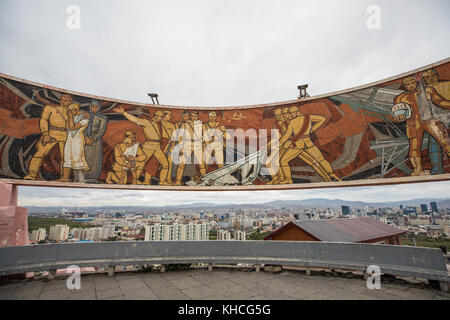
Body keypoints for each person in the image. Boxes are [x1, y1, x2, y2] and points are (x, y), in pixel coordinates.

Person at [393, 75, 450, 176]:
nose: (411, 85)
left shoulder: (428, 90)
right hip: (413, 123)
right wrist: (399, 117)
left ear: (417, 82)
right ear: (405, 86)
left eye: (412, 83)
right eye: (408, 84)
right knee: (414, 147)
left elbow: (440, 101)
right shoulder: (400, 98)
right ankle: (418, 169)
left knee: (445, 141)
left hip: (429, 119)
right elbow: (396, 113)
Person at [277, 106, 341, 184]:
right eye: (289, 113)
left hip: (298, 145)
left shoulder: (293, 122)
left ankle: (288, 179)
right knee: (321, 160)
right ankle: (331, 174)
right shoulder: (308, 117)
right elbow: (322, 119)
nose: (290, 115)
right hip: (308, 142)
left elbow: (287, 135)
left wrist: (279, 144)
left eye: (291, 113)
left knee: (283, 161)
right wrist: (312, 129)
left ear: (297, 112)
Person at [113, 106, 170, 185]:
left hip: (157, 147)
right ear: (156, 116)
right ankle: (134, 179)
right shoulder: (147, 122)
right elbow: (136, 120)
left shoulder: (159, 124)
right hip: (149, 146)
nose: (162, 118)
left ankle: (162, 181)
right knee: (140, 163)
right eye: (161, 117)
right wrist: (124, 113)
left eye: (163, 117)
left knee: (165, 164)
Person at [24, 94, 72, 180]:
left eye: (66, 100)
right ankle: (32, 175)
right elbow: (43, 120)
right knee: (39, 154)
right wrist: (45, 134)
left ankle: (63, 177)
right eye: (62, 99)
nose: (63, 102)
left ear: (70, 101)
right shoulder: (51, 108)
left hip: (65, 135)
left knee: (65, 158)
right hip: (51, 133)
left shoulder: (73, 111)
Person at [58, 103, 90, 182]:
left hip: (78, 140)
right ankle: (65, 177)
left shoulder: (85, 119)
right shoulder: (72, 117)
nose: (71, 112)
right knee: (67, 156)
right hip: (70, 138)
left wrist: (71, 117)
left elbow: (72, 128)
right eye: (69, 110)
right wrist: (70, 117)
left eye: (72, 110)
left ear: (76, 110)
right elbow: (67, 127)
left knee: (77, 158)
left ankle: (80, 179)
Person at [174, 110, 206, 185]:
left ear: (197, 116)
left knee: (202, 164)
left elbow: (205, 136)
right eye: (192, 116)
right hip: (187, 145)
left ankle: (204, 180)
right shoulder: (185, 124)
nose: (193, 117)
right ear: (190, 116)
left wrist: (204, 146)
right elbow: (181, 137)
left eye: (195, 116)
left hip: (198, 145)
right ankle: (178, 181)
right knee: (181, 164)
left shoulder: (201, 125)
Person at [84, 101, 108, 183]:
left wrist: (93, 139)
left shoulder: (102, 118)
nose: (94, 109)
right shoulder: (85, 116)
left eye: (96, 107)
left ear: (98, 108)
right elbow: (82, 126)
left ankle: (93, 176)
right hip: (85, 139)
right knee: (85, 156)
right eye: (92, 107)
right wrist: (85, 138)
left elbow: (101, 131)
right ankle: (83, 175)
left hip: (96, 140)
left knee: (95, 158)